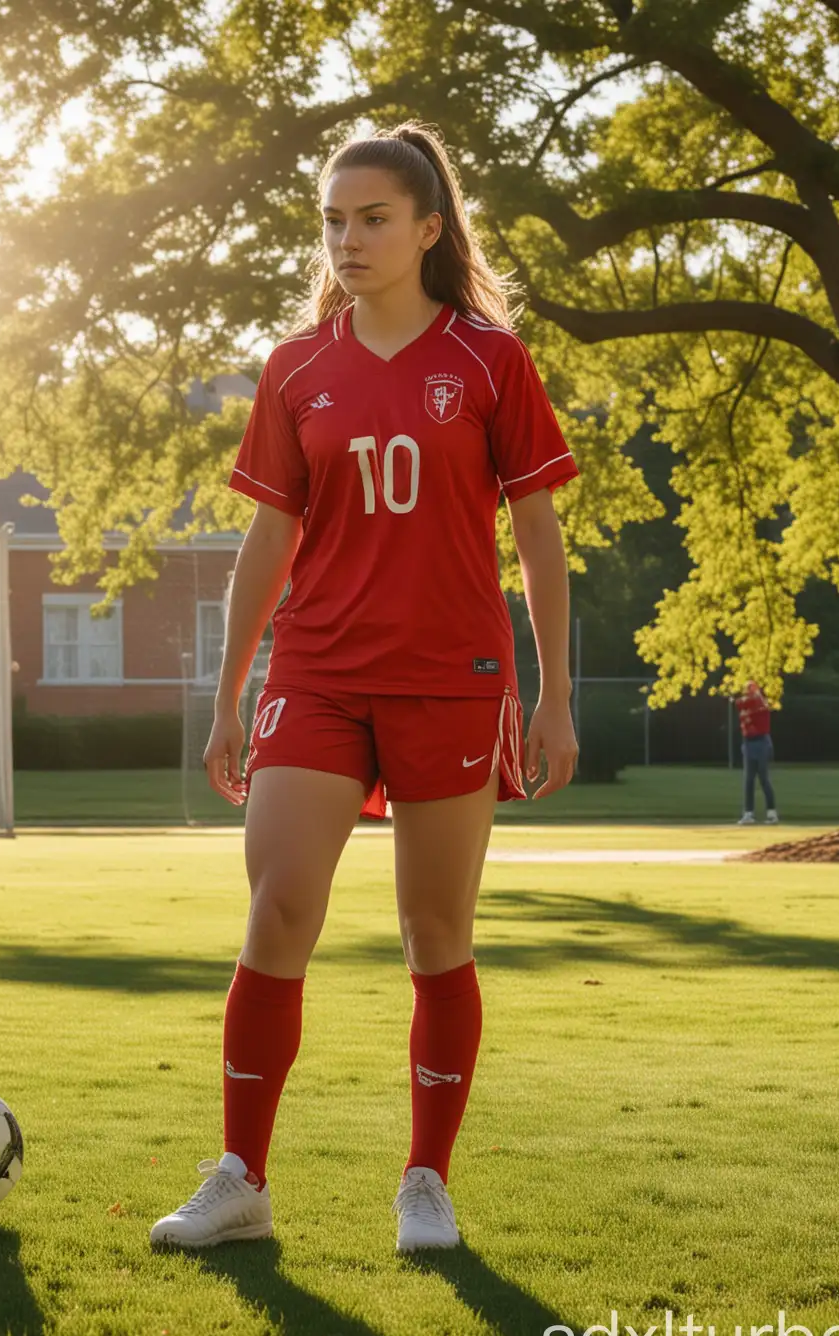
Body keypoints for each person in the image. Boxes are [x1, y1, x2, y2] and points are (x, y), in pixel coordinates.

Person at [148, 124, 580, 1256]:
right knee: (278, 907)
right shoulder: (295, 368)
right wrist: (230, 688)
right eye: (333, 220)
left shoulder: (492, 361)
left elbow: (538, 534)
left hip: (453, 676)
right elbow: (269, 536)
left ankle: (425, 1182)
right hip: (319, 673)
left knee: (435, 933)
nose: (348, 239)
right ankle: (241, 1177)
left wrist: (554, 693)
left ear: (429, 229)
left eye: (373, 217)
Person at [734, 680, 778, 825]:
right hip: (748, 742)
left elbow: (752, 703)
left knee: (764, 778)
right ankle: (748, 813)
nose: (750, 693)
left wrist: (755, 695)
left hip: (761, 742)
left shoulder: (761, 705)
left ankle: (772, 814)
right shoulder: (745, 704)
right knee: (749, 780)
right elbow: (739, 703)